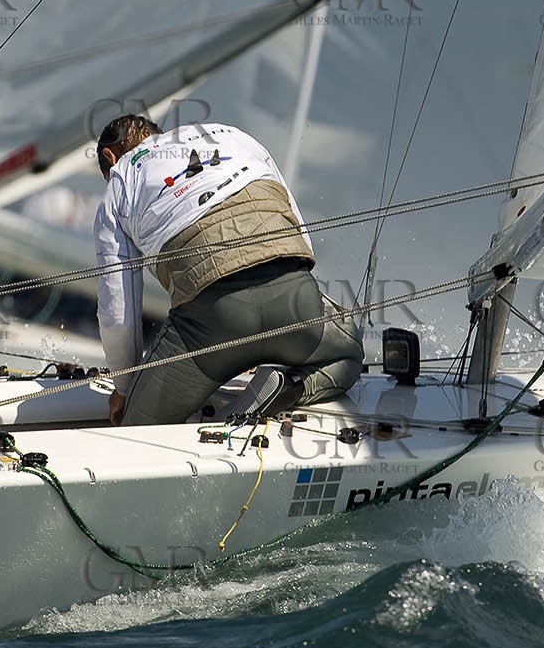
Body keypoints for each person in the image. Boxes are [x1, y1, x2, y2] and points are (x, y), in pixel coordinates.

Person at [93, 114, 363, 425]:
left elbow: (117, 309)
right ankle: (288, 388)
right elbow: (298, 228)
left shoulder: (122, 177)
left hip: (212, 327)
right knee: (350, 354)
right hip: (294, 300)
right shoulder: (233, 135)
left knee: (136, 431)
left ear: (109, 157)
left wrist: (125, 387)